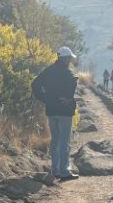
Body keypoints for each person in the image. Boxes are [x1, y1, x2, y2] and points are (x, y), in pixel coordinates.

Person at [31, 46, 80, 181]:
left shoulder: (49, 71)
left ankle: (55, 170)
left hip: (51, 110)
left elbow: (35, 84)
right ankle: (64, 172)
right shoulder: (68, 73)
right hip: (65, 111)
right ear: (65, 58)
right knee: (65, 141)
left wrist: (45, 99)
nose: (70, 61)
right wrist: (68, 98)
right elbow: (71, 89)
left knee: (55, 141)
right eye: (69, 58)